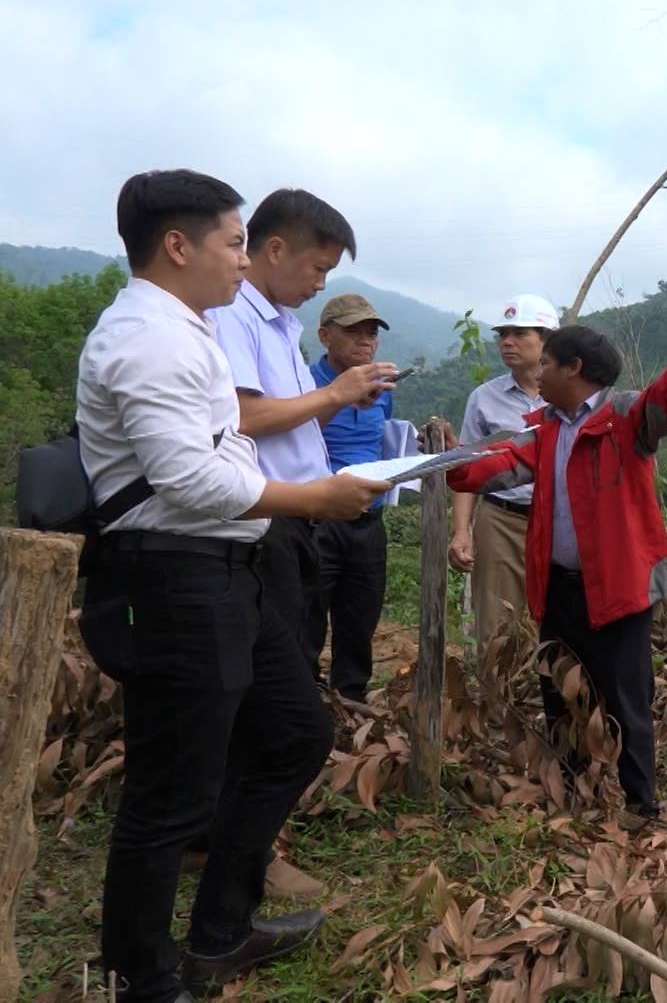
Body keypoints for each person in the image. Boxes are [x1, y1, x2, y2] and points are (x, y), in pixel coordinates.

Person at [77, 170, 389, 1001]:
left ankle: (221, 931)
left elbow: (222, 453)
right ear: (177, 246)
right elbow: (187, 479)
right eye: (233, 242)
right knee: (170, 792)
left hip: (227, 568)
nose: (242, 260)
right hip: (173, 576)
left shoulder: (190, 329)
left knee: (292, 732)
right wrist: (312, 496)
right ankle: (141, 978)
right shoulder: (148, 337)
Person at [205, 187, 391, 900]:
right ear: (272, 249)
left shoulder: (276, 322)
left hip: (297, 520)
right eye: (317, 267)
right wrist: (336, 395)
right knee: (273, 706)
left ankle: (235, 843)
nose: (321, 284)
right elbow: (246, 417)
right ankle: (248, 855)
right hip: (266, 520)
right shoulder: (231, 318)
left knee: (281, 686)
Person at [449, 327, 667, 824]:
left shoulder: (624, 418)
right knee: (560, 691)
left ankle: (640, 803)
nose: (537, 373)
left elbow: (665, 406)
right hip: (559, 584)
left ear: (574, 368)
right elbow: (498, 463)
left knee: (626, 697)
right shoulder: (544, 430)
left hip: (618, 588)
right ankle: (572, 786)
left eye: (545, 363)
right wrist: (450, 460)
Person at [306, 292, 399, 702]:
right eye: (354, 332)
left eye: (372, 332)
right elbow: (291, 439)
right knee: (306, 614)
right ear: (325, 336)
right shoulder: (306, 383)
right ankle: (304, 699)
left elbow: (383, 439)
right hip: (315, 519)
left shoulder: (383, 389)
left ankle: (351, 702)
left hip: (368, 519)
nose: (367, 340)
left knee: (360, 617)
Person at [452, 294, 556, 645]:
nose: (506, 342)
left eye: (519, 333)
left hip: (558, 521)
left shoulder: (569, 395)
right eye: (502, 334)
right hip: (500, 520)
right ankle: (497, 699)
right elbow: (466, 470)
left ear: (546, 340)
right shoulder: (484, 398)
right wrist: (462, 532)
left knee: (557, 620)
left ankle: (546, 699)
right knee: (497, 624)